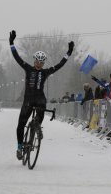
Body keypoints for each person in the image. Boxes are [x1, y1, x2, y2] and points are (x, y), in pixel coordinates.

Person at [9, 30, 75, 160]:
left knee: (41, 107)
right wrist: (11, 43)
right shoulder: (28, 68)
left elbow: (59, 65)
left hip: (39, 99)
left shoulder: (45, 72)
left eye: (41, 62)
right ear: (34, 61)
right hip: (28, 100)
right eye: (37, 61)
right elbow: (17, 57)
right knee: (20, 125)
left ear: (43, 63)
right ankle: (19, 147)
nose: (39, 64)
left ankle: (37, 127)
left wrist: (69, 53)